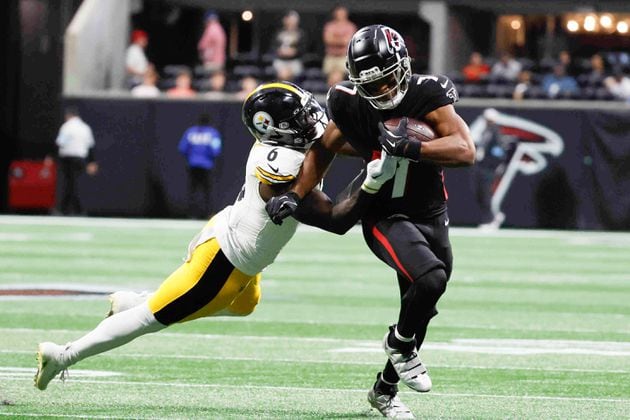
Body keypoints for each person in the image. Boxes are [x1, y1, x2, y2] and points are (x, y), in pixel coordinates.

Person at [34, 82, 399, 393]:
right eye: (302, 117)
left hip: (230, 237)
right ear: (280, 129)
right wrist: (373, 180)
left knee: (245, 305)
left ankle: (140, 300)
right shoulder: (280, 169)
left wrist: (386, 141)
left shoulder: (288, 143)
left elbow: (334, 142)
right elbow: (337, 219)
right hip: (223, 264)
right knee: (151, 319)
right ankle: (62, 354)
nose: (312, 119)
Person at [265, 25, 475, 418]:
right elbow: (323, 147)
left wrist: (411, 146)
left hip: (431, 213)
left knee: (421, 305)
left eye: (387, 80)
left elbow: (465, 150)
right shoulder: (348, 101)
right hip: (383, 212)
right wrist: (295, 193)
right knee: (429, 280)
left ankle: (385, 390)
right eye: (372, 85)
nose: (381, 92)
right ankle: (398, 343)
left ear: (404, 66)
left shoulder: (427, 93)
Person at [470, 108, 515, 229]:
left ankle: (490, 219)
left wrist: (495, 164)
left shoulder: (496, 132)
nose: (487, 121)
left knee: (485, 193)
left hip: (488, 167)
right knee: (479, 192)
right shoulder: (485, 130)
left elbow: (500, 151)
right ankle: (493, 216)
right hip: (481, 165)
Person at [50, 106, 98, 216]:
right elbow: (90, 146)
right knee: (72, 184)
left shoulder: (66, 127)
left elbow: (60, 143)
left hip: (67, 159)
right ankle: (71, 209)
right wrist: (92, 162)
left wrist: (52, 157)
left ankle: (71, 209)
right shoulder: (85, 128)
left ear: (68, 116)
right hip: (80, 159)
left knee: (70, 184)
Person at [178, 113, 223, 219]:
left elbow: (182, 148)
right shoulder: (213, 133)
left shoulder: (190, 132)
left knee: (192, 190)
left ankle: (191, 214)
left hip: (192, 164)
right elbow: (216, 150)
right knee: (207, 191)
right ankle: (208, 214)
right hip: (206, 165)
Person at [322, 5, 356, 78]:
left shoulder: (350, 26)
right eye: (338, 13)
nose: (340, 15)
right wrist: (341, 39)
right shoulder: (329, 26)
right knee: (330, 79)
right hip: (331, 57)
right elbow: (328, 40)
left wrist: (335, 38)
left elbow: (347, 41)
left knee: (339, 78)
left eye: (342, 13)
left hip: (343, 58)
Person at [271, 10, 306, 81]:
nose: (291, 22)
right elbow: (273, 46)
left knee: (289, 73)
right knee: (282, 73)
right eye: (289, 20)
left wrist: (295, 51)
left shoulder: (301, 34)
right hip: (280, 60)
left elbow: (303, 48)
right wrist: (279, 51)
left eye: (293, 20)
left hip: (295, 61)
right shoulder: (279, 33)